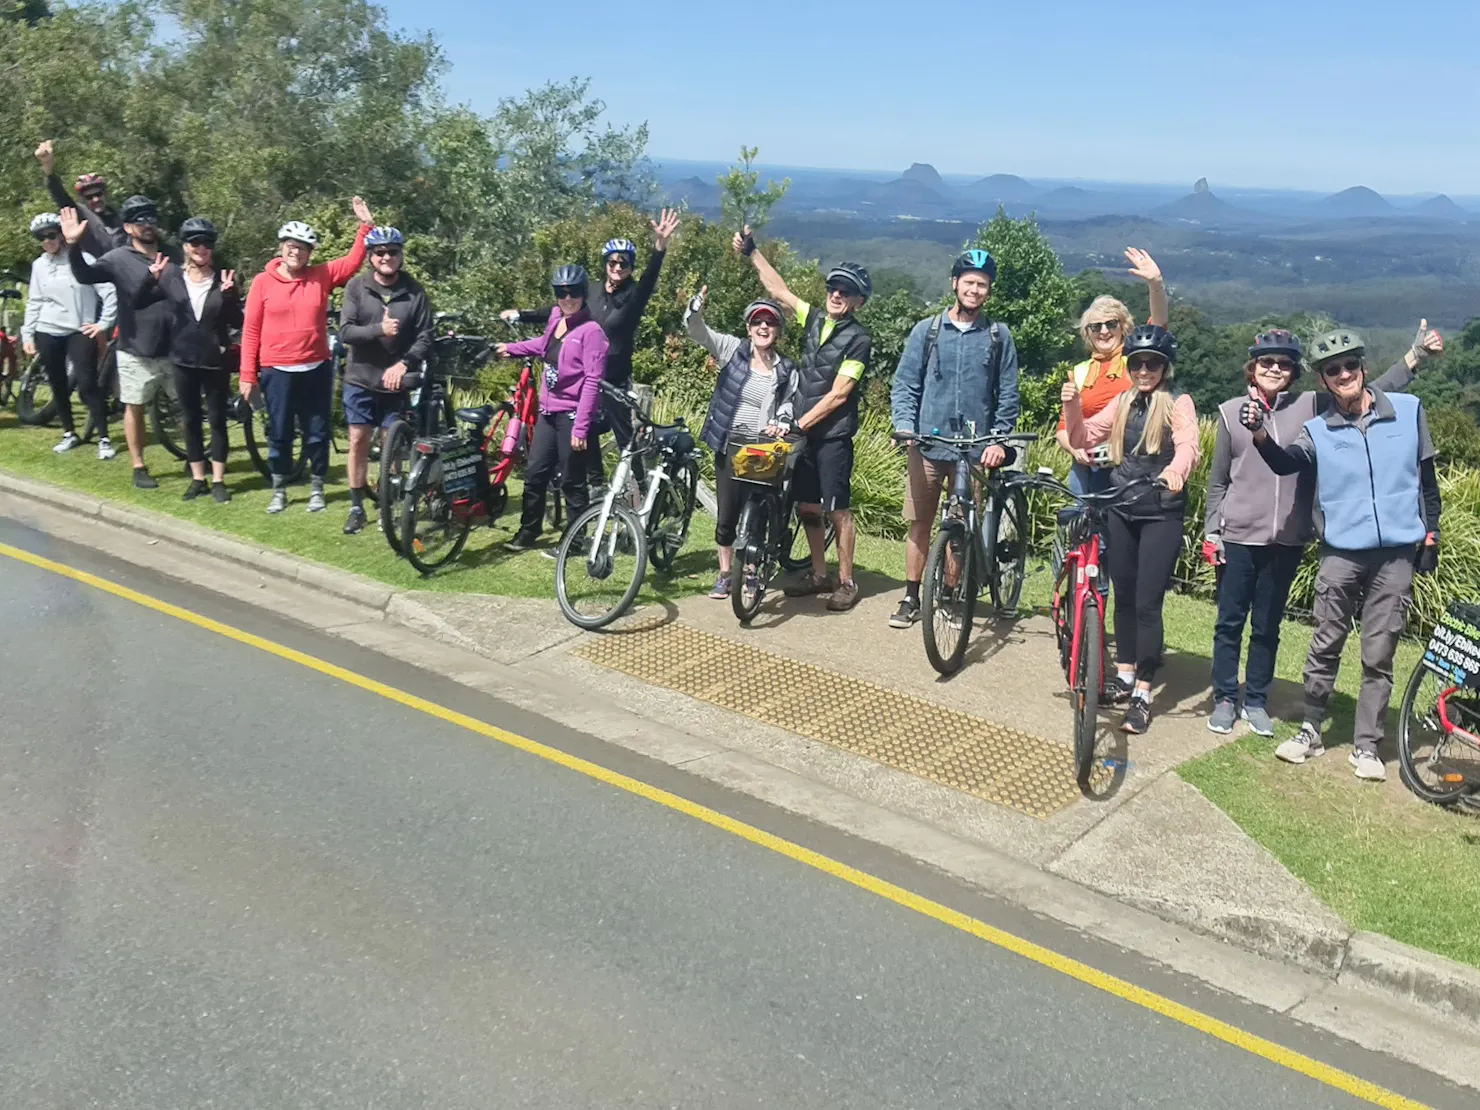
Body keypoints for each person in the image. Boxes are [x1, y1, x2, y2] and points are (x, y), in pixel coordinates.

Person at [1203, 322, 1443, 736]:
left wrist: (1415, 356)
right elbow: (1219, 478)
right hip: (1240, 533)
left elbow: (1369, 388)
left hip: (1288, 536)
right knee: (1229, 622)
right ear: (1252, 368)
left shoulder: (1312, 406)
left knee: (1267, 625)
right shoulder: (1230, 412)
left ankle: (1256, 699)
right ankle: (1225, 697)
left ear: (1297, 373)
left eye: (1284, 363)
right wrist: (1212, 530)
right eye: (1267, 362)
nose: (1275, 369)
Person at [1062, 324, 1201, 735]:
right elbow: (1083, 436)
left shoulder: (1178, 404)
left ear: (1164, 367)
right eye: (1137, 363)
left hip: (1160, 511)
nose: (1144, 370)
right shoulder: (1122, 402)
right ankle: (1124, 675)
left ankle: (1143, 689)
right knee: (1122, 596)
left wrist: (1176, 471)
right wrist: (1071, 405)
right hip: (1122, 506)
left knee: (1146, 602)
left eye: (1152, 364)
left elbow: (1189, 443)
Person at [734, 224, 872, 612]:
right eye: (833, 288)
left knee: (836, 509)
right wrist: (752, 252)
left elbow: (839, 394)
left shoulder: (859, 339)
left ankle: (846, 582)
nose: (836, 294)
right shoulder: (813, 319)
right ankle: (817, 574)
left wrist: (799, 423)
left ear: (859, 301)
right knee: (807, 507)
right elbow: (778, 290)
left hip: (832, 436)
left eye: (845, 292)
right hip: (802, 434)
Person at [501, 209, 682, 488]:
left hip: (614, 381)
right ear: (605, 263)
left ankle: (641, 488)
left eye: (624, 263)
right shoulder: (592, 291)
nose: (618, 267)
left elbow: (649, 279)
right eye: (612, 262)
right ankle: (596, 487)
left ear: (631, 266)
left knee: (625, 440)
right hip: (584, 380)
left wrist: (660, 247)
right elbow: (560, 308)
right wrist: (521, 314)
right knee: (585, 435)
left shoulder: (633, 295)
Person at [888, 248, 1021, 627]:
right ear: (954, 284)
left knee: (960, 527)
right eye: (969, 282)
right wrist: (904, 424)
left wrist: (998, 440)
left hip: (975, 450)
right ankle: (912, 597)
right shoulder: (927, 330)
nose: (975, 290)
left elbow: (1008, 395)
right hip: (928, 444)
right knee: (919, 523)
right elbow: (906, 384)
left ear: (988, 292)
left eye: (982, 285)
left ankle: (947, 596)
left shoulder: (998, 337)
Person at [238, 197, 374, 514]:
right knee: (280, 432)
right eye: (290, 245)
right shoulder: (262, 282)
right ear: (281, 248)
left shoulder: (320, 275)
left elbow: (353, 262)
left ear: (309, 252)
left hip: (315, 367)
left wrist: (366, 227)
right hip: (276, 370)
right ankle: (279, 489)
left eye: (302, 247)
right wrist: (247, 375)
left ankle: (316, 487)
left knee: (317, 432)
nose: (295, 252)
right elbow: (251, 331)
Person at [682, 288, 798, 598]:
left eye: (770, 323)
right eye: (757, 322)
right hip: (729, 444)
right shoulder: (732, 349)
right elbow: (697, 331)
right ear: (748, 328)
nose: (763, 327)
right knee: (727, 512)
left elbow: (788, 403)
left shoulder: (785, 369)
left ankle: (751, 570)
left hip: (763, 449)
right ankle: (724, 573)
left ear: (777, 331)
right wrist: (696, 307)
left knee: (757, 511)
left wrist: (782, 422)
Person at [60, 196, 175, 487]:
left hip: (175, 346)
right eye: (140, 220)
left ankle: (197, 461)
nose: (147, 225)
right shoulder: (117, 258)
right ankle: (138, 466)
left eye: (151, 218)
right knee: (134, 407)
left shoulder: (173, 253)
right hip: (136, 348)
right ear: (127, 226)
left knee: (188, 407)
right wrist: (73, 245)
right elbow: (84, 275)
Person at [493, 264, 609, 551]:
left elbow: (592, 382)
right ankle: (528, 532)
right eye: (561, 292)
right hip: (548, 411)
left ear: (584, 294)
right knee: (535, 474)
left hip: (572, 414)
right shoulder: (557, 317)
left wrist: (581, 428)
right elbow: (543, 346)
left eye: (574, 293)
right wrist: (512, 347)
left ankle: (575, 540)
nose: (567, 298)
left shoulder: (592, 332)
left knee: (572, 480)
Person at [336, 226, 433, 535]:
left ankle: (387, 502)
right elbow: (346, 332)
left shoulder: (415, 292)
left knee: (392, 446)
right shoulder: (356, 287)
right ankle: (356, 506)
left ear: (401, 255)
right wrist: (379, 329)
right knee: (358, 440)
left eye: (392, 251)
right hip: (360, 378)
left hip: (394, 381)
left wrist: (404, 364)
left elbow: (426, 337)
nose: (386, 257)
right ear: (370, 257)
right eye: (380, 252)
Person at [1056, 249, 1170, 497]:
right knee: (1081, 530)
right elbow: (1064, 426)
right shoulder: (1080, 371)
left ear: (1124, 326)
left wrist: (1155, 285)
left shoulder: (1138, 361)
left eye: (1111, 324)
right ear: (1088, 333)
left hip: (1130, 463)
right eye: (1096, 326)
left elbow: (1159, 325)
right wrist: (1074, 449)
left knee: (1115, 532)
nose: (1104, 331)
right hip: (1085, 467)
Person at [145, 217, 242, 502]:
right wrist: (148, 279)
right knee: (189, 420)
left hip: (214, 359)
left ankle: (219, 480)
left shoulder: (223, 278)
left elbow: (238, 320)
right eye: (195, 242)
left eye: (207, 243)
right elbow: (139, 301)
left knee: (216, 420)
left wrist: (230, 296)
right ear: (186, 247)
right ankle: (198, 477)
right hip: (182, 358)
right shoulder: (171, 276)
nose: (202, 248)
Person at [21, 212, 116, 458]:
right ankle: (69, 432)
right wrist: (27, 335)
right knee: (58, 384)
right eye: (41, 238)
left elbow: (108, 292)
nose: (47, 241)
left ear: (61, 235)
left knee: (87, 384)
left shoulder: (82, 258)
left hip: (79, 329)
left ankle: (104, 438)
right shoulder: (39, 265)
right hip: (47, 329)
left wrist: (102, 323)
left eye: (51, 235)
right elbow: (35, 301)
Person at [36, 139, 127, 257]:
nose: (95, 199)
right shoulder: (82, 214)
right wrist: (48, 168)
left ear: (105, 194)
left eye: (98, 194)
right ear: (82, 199)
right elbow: (60, 196)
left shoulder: (120, 216)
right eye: (89, 197)